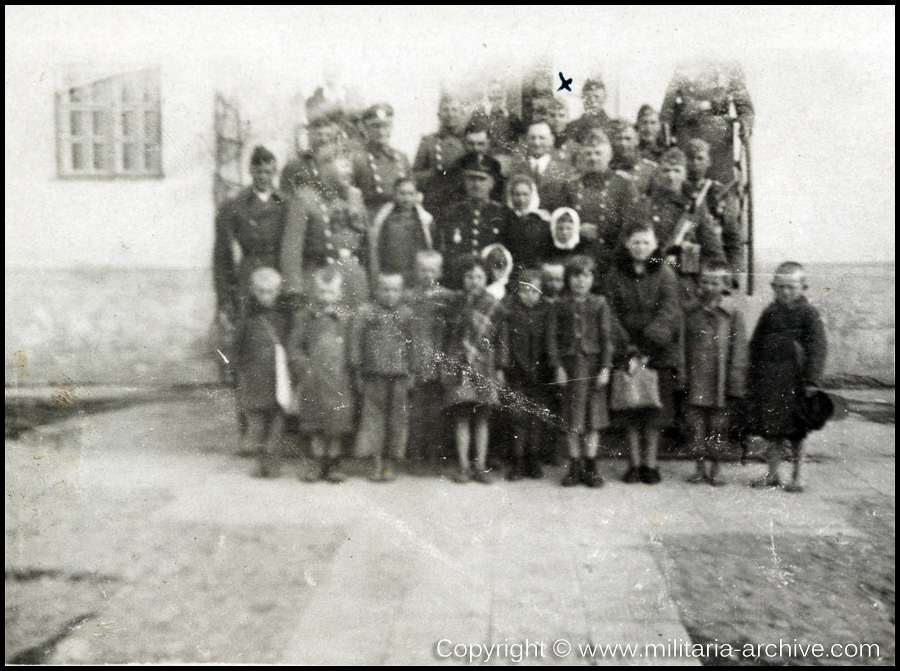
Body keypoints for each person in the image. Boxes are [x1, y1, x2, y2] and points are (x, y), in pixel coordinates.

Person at [603, 222, 683, 485]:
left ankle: (651, 464)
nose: (640, 248)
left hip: (657, 351)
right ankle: (633, 464)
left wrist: (647, 347)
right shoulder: (615, 275)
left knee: (653, 412)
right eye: (635, 242)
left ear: (654, 245)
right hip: (626, 350)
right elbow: (609, 312)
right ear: (627, 244)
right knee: (629, 410)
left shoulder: (666, 274)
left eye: (646, 243)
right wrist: (627, 348)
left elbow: (670, 312)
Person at [745, 262, 827, 493]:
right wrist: (752, 373)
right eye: (780, 287)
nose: (785, 292)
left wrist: (812, 380)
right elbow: (756, 344)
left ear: (803, 287)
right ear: (773, 286)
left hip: (797, 381)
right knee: (772, 430)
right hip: (771, 380)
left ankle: (797, 476)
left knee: (797, 431)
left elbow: (818, 348)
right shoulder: (770, 312)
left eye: (791, 287)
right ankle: (772, 474)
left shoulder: (809, 314)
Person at [547, 255, 614, 487]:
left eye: (585, 276)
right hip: (570, 368)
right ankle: (574, 465)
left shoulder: (600, 303)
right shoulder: (559, 305)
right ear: (568, 279)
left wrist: (605, 367)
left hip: (593, 367)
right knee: (571, 418)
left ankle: (592, 465)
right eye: (575, 276)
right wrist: (558, 368)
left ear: (593, 279)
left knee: (593, 418)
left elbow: (607, 339)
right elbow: (552, 340)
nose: (580, 282)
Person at [683, 260, 747, 486]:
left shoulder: (732, 314)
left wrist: (735, 380)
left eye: (715, 282)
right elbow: (682, 345)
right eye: (705, 282)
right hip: (696, 378)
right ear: (699, 283)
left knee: (719, 426)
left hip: (720, 380)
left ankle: (717, 467)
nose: (709, 287)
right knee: (695, 425)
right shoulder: (690, 311)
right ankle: (699, 468)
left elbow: (739, 349)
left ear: (725, 284)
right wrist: (682, 374)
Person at [287, 266, 354, 483]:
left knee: (336, 423)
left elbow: (352, 347)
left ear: (340, 293)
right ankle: (316, 463)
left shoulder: (345, 318)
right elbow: (294, 347)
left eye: (331, 292)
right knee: (314, 423)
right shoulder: (305, 317)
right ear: (314, 291)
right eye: (322, 292)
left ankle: (333, 464)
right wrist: (304, 367)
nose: (326, 297)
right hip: (313, 379)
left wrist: (351, 368)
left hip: (339, 379)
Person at [442, 258, 504, 483]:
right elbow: (448, 336)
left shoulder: (494, 305)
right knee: (462, 416)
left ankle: (480, 465)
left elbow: (500, 339)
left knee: (482, 418)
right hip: (459, 364)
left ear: (486, 278)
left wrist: (500, 369)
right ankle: (464, 466)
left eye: (479, 276)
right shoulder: (455, 304)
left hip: (485, 365)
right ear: (462, 279)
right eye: (469, 276)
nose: (474, 281)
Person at [280, 156, 371, 309]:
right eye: (343, 170)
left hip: (353, 277)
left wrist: (372, 280)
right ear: (325, 168)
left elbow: (368, 244)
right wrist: (294, 288)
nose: (349, 174)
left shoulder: (355, 197)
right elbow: (292, 248)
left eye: (349, 173)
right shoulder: (305, 198)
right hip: (320, 278)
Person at [213, 146, 288, 326]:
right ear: (250, 171)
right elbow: (222, 256)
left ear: (275, 172)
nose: (263, 177)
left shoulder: (285, 204)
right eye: (258, 171)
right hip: (249, 275)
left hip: (279, 271)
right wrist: (225, 298)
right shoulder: (235, 206)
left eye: (268, 172)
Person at [351, 274, 415, 482]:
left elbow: (413, 345)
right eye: (385, 289)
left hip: (399, 375)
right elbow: (356, 342)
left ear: (402, 291)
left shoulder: (407, 314)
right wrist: (357, 370)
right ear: (377, 290)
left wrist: (412, 371)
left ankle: (390, 464)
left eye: (395, 290)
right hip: (373, 374)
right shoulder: (366, 312)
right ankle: (375, 462)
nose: (390, 294)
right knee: (373, 419)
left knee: (397, 420)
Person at [233, 267, 291, 478]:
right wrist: (239, 372)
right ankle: (259, 463)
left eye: (271, 291)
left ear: (278, 291)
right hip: (255, 375)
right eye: (261, 291)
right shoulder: (246, 316)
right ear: (253, 291)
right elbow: (237, 346)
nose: (266, 296)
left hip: (279, 375)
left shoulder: (284, 315)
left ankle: (273, 462)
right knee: (257, 421)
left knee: (278, 420)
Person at [642, 147, 725, 289]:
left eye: (676, 171)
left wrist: (713, 281)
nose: (671, 176)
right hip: (650, 277)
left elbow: (712, 248)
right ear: (657, 174)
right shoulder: (645, 205)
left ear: (685, 174)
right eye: (666, 170)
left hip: (684, 280)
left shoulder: (695, 206)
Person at [404, 251, 458, 470]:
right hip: (415, 359)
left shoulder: (447, 297)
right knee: (416, 410)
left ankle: (435, 454)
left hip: (438, 359)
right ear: (416, 271)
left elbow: (452, 332)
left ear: (440, 271)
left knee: (437, 410)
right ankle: (415, 454)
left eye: (433, 270)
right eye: (423, 269)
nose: (428, 274)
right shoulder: (408, 297)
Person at [661, 58, 754, 183]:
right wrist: (665, 129)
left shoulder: (729, 65)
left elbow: (745, 107)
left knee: (719, 186)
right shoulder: (685, 64)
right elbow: (668, 106)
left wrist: (746, 124)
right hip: (688, 132)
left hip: (719, 138)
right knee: (686, 182)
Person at [563, 131, 640, 274]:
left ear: (609, 156)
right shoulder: (571, 185)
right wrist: (576, 230)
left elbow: (630, 225)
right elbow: (562, 219)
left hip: (611, 257)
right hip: (578, 256)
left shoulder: (623, 184)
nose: (593, 158)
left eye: (598, 153)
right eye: (589, 154)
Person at [434, 154, 515, 290]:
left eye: (482, 179)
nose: (476, 184)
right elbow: (442, 252)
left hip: (492, 287)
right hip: (456, 286)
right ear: (464, 181)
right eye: (471, 178)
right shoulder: (450, 213)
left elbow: (512, 256)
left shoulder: (504, 215)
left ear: (492, 182)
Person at [499, 269, 550, 480]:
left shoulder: (547, 311)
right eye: (525, 290)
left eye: (534, 291)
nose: (530, 295)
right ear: (517, 292)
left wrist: (552, 366)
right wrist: (502, 367)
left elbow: (551, 342)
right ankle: (517, 460)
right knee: (517, 416)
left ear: (541, 293)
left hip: (540, 371)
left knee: (537, 416)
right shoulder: (509, 311)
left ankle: (533, 459)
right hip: (516, 371)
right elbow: (503, 341)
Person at [684, 138, 744, 275]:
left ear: (709, 162)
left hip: (710, 264)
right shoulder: (677, 189)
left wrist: (733, 274)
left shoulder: (718, 192)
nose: (694, 163)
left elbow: (733, 238)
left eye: (700, 158)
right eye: (690, 158)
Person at [370, 177, 434, 285]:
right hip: (392, 276)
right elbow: (377, 248)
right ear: (395, 195)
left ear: (416, 195)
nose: (406, 199)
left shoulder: (425, 220)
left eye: (410, 194)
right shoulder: (383, 219)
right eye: (402, 193)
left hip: (417, 275)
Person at [352, 103, 411, 214]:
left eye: (386, 126)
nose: (381, 132)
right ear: (365, 128)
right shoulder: (358, 160)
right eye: (376, 126)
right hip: (371, 220)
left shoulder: (401, 158)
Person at [412, 95, 468, 213]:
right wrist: (433, 173)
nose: (450, 114)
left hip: (463, 200)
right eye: (445, 110)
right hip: (436, 202)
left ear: (462, 113)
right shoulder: (428, 142)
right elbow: (415, 175)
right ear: (439, 115)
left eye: (454, 110)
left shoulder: (469, 141)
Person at [508, 121, 576, 213]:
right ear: (526, 140)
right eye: (532, 138)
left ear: (552, 140)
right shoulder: (515, 168)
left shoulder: (565, 170)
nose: (537, 143)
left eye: (542, 138)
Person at [281, 113, 344, 196]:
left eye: (328, 135)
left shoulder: (338, 166)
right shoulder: (295, 166)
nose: (324, 139)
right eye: (319, 134)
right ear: (309, 134)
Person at [503, 174, 553, 274]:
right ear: (511, 196)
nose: (521, 199)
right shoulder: (505, 218)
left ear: (532, 195)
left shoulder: (542, 220)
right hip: (510, 270)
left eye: (525, 194)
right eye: (517, 194)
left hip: (534, 271)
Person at [563, 78, 614, 152]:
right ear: (582, 99)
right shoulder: (572, 126)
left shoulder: (612, 126)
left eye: (596, 97)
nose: (592, 101)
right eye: (588, 97)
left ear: (604, 98)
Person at [609, 120, 657, 194]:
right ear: (612, 141)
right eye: (619, 138)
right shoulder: (607, 169)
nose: (623, 143)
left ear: (636, 140)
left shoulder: (650, 170)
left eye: (628, 139)